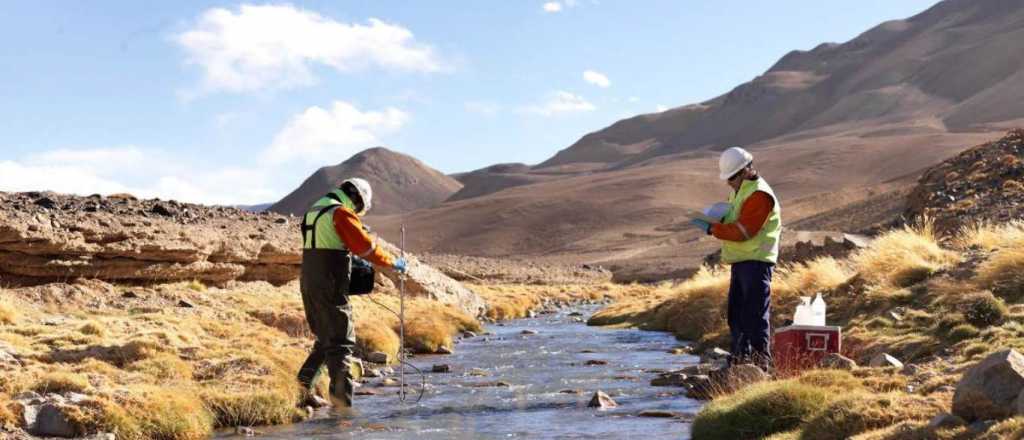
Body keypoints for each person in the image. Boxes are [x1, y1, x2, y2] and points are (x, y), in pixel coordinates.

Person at [296, 177, 407, 408]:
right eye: (358, 207)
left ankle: (300, 391)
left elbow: (326, 245)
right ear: (356, 198)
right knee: (341, 345)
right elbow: (365, 248)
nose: (356, 211)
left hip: (309, 285)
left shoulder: (315, 210)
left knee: (326, 340)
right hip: (330, 287)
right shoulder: (340, 213)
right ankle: (342, 411)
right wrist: (393, 262)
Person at [691, 147, 781, 369]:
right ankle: (740, 360)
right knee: (737, 315)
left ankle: (761, 365)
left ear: (746, 170)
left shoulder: (759, 194)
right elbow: (735, 221)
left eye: (731, 177)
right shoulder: (740, 191)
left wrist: (714, 229)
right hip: (742, 261)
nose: (728, 182)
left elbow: (744, 232)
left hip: (757, 261)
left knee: (755, 314)